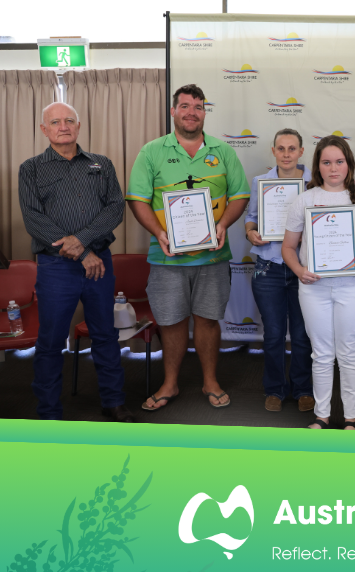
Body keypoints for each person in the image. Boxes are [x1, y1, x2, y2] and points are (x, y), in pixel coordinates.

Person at [126, 84, 250, 411]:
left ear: (204, 112)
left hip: (212, 257)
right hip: (167, 258)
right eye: (184, 106)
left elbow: (240, 196)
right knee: (172, 321)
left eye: (198, 106)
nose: (191, 112)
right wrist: (159, 233)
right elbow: (137, 199)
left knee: (208, 320)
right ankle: (170, 384)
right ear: (173, 111)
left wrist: (222, 225)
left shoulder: (223, 152)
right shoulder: (151, 151)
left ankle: (210, 380)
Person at [18, 102, 132, 422]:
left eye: (69, 120)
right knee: (51, 340)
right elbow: (34, 221)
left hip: (99, 264)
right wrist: (83, 253)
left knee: (105, 334)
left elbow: (114, 209)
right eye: (55, 122)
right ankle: (49, 411)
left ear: (79, 126)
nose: (63, 126)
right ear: (45, 130)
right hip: (56, 268)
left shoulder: (102, 164)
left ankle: (113, 402)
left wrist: (82, 242)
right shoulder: (31, 168)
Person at [281, 135, 355, 430]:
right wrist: (299, 270)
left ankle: (351, 418)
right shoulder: (304, 200)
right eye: (326, 162)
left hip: (353, 288)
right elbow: (288, 248)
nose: (333, 168)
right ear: (318, 165)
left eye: (339, 161)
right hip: (313, 288)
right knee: (322, 353)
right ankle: (322, 416)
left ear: (349, 164)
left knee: (349, 352)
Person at [245, 129, 314, 413]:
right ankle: (274, 389)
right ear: (273, 151)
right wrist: (251, 234)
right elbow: (250, 219)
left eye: (292, 148)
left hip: (303, 269)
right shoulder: (260, 182)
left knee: (302, 335)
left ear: (301, 152)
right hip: (268, 267)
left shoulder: (314, 184)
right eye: (281, 148)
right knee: (273, 334)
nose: (286, 154)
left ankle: (303, 390)